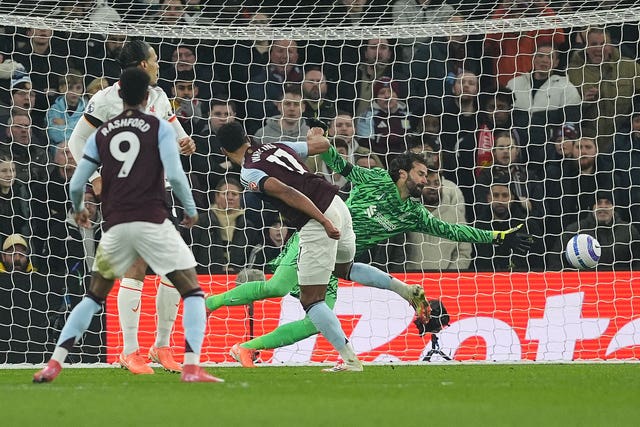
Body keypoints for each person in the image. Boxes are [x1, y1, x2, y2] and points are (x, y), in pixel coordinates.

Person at [207, 140, 533, 368]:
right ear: (403, 173)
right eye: (422, 173)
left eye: (429, 175)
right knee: (277, 288)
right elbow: (339, 164)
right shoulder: (374, 178)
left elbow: (455, 231)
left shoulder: (414, 215)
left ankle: (247, 348)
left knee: (314, 320)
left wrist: (497, 236)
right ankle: (208, 304)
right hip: (317, 237)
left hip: (339, 258)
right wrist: (324, 147)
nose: (428, 180)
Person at [33, 67, 221, 383]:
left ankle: (57, 362)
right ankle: (178, 361)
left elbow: (77, 183)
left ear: (120, 94)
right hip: (152, 211)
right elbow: (175, 175)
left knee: (96, 295)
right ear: (147, 96)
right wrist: (191, 209)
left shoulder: (104, 132)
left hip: (117, 214)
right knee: (187, 284)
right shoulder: (157, 127)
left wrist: (81, 206)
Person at [66, 39, 196, 375]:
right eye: (154, 60)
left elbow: (174, 131)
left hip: (159, 187)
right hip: (123, 191)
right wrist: (95, 176)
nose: (158, 65)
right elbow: (77, 140)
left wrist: (184, 141)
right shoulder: (105, 99)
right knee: (135, 264)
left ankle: (161, 345)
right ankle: (130, 350)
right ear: (141, 65)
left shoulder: (159, 96)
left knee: (174, 266)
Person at [217, 121, 363, 372]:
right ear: (247, 137)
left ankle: (351, 361)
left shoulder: (249, 172)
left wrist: (322, 220)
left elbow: (285, 192)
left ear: (223, 151)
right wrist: (317, 135)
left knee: (312, 300)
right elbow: (322, 144)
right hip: (339, 204)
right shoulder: (277, 145)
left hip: (318, 217)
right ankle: (400, 290)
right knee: (344, 270)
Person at [548, 191, 640, 271]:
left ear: (613, 207)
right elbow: (555, 258)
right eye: (599, 203)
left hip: (620, 284)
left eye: (607, 203)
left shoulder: (629, 231)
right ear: (592, 207)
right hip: (583, 283)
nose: (603, 207)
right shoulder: (575, 230)